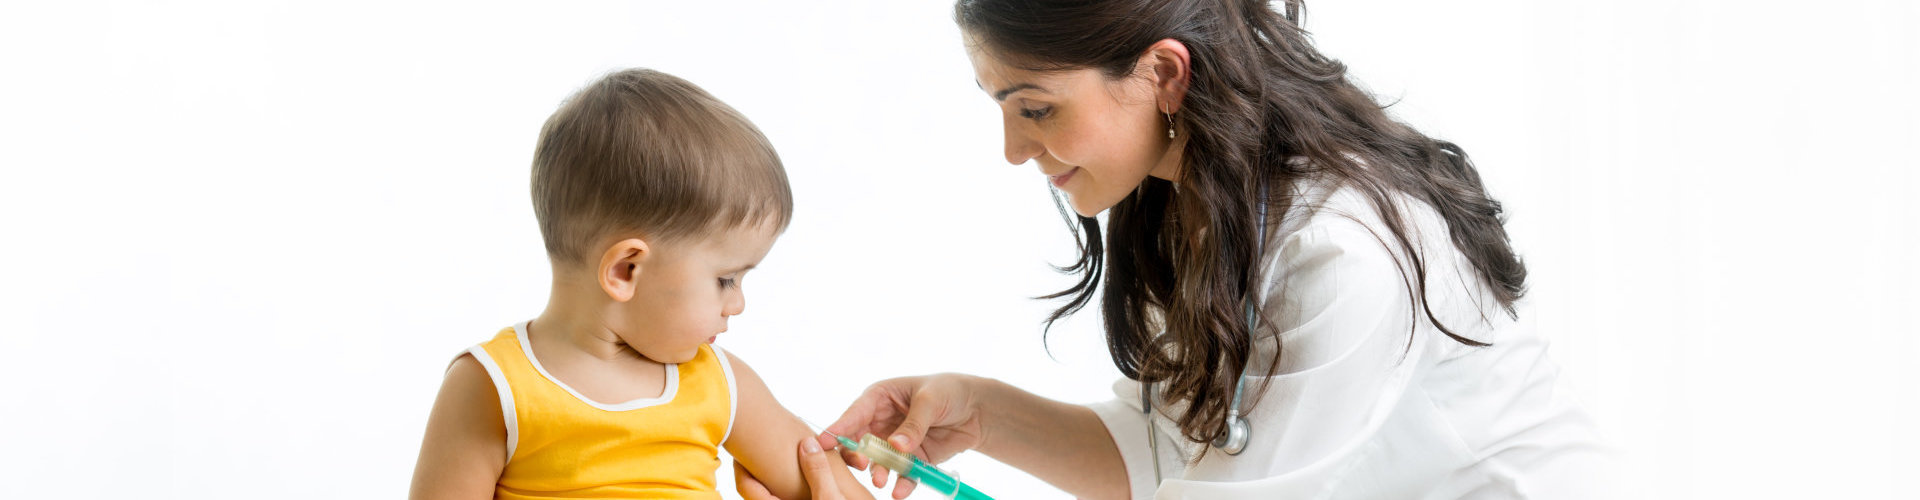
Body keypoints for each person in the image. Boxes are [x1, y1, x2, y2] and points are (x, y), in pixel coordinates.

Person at [742, 0, 1611, 498]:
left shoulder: (1343, 254)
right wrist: (984, 412)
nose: (1012, 149)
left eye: (1034, 107)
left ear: (1163, 73)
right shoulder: (1192, 198)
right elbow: (1170, 457)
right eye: (998, 106)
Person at [408, 69, 873, 500]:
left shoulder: (719, 381)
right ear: (626, 271)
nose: (738, 304)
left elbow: (824, 480)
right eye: (725, 279)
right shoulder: (494, 387)